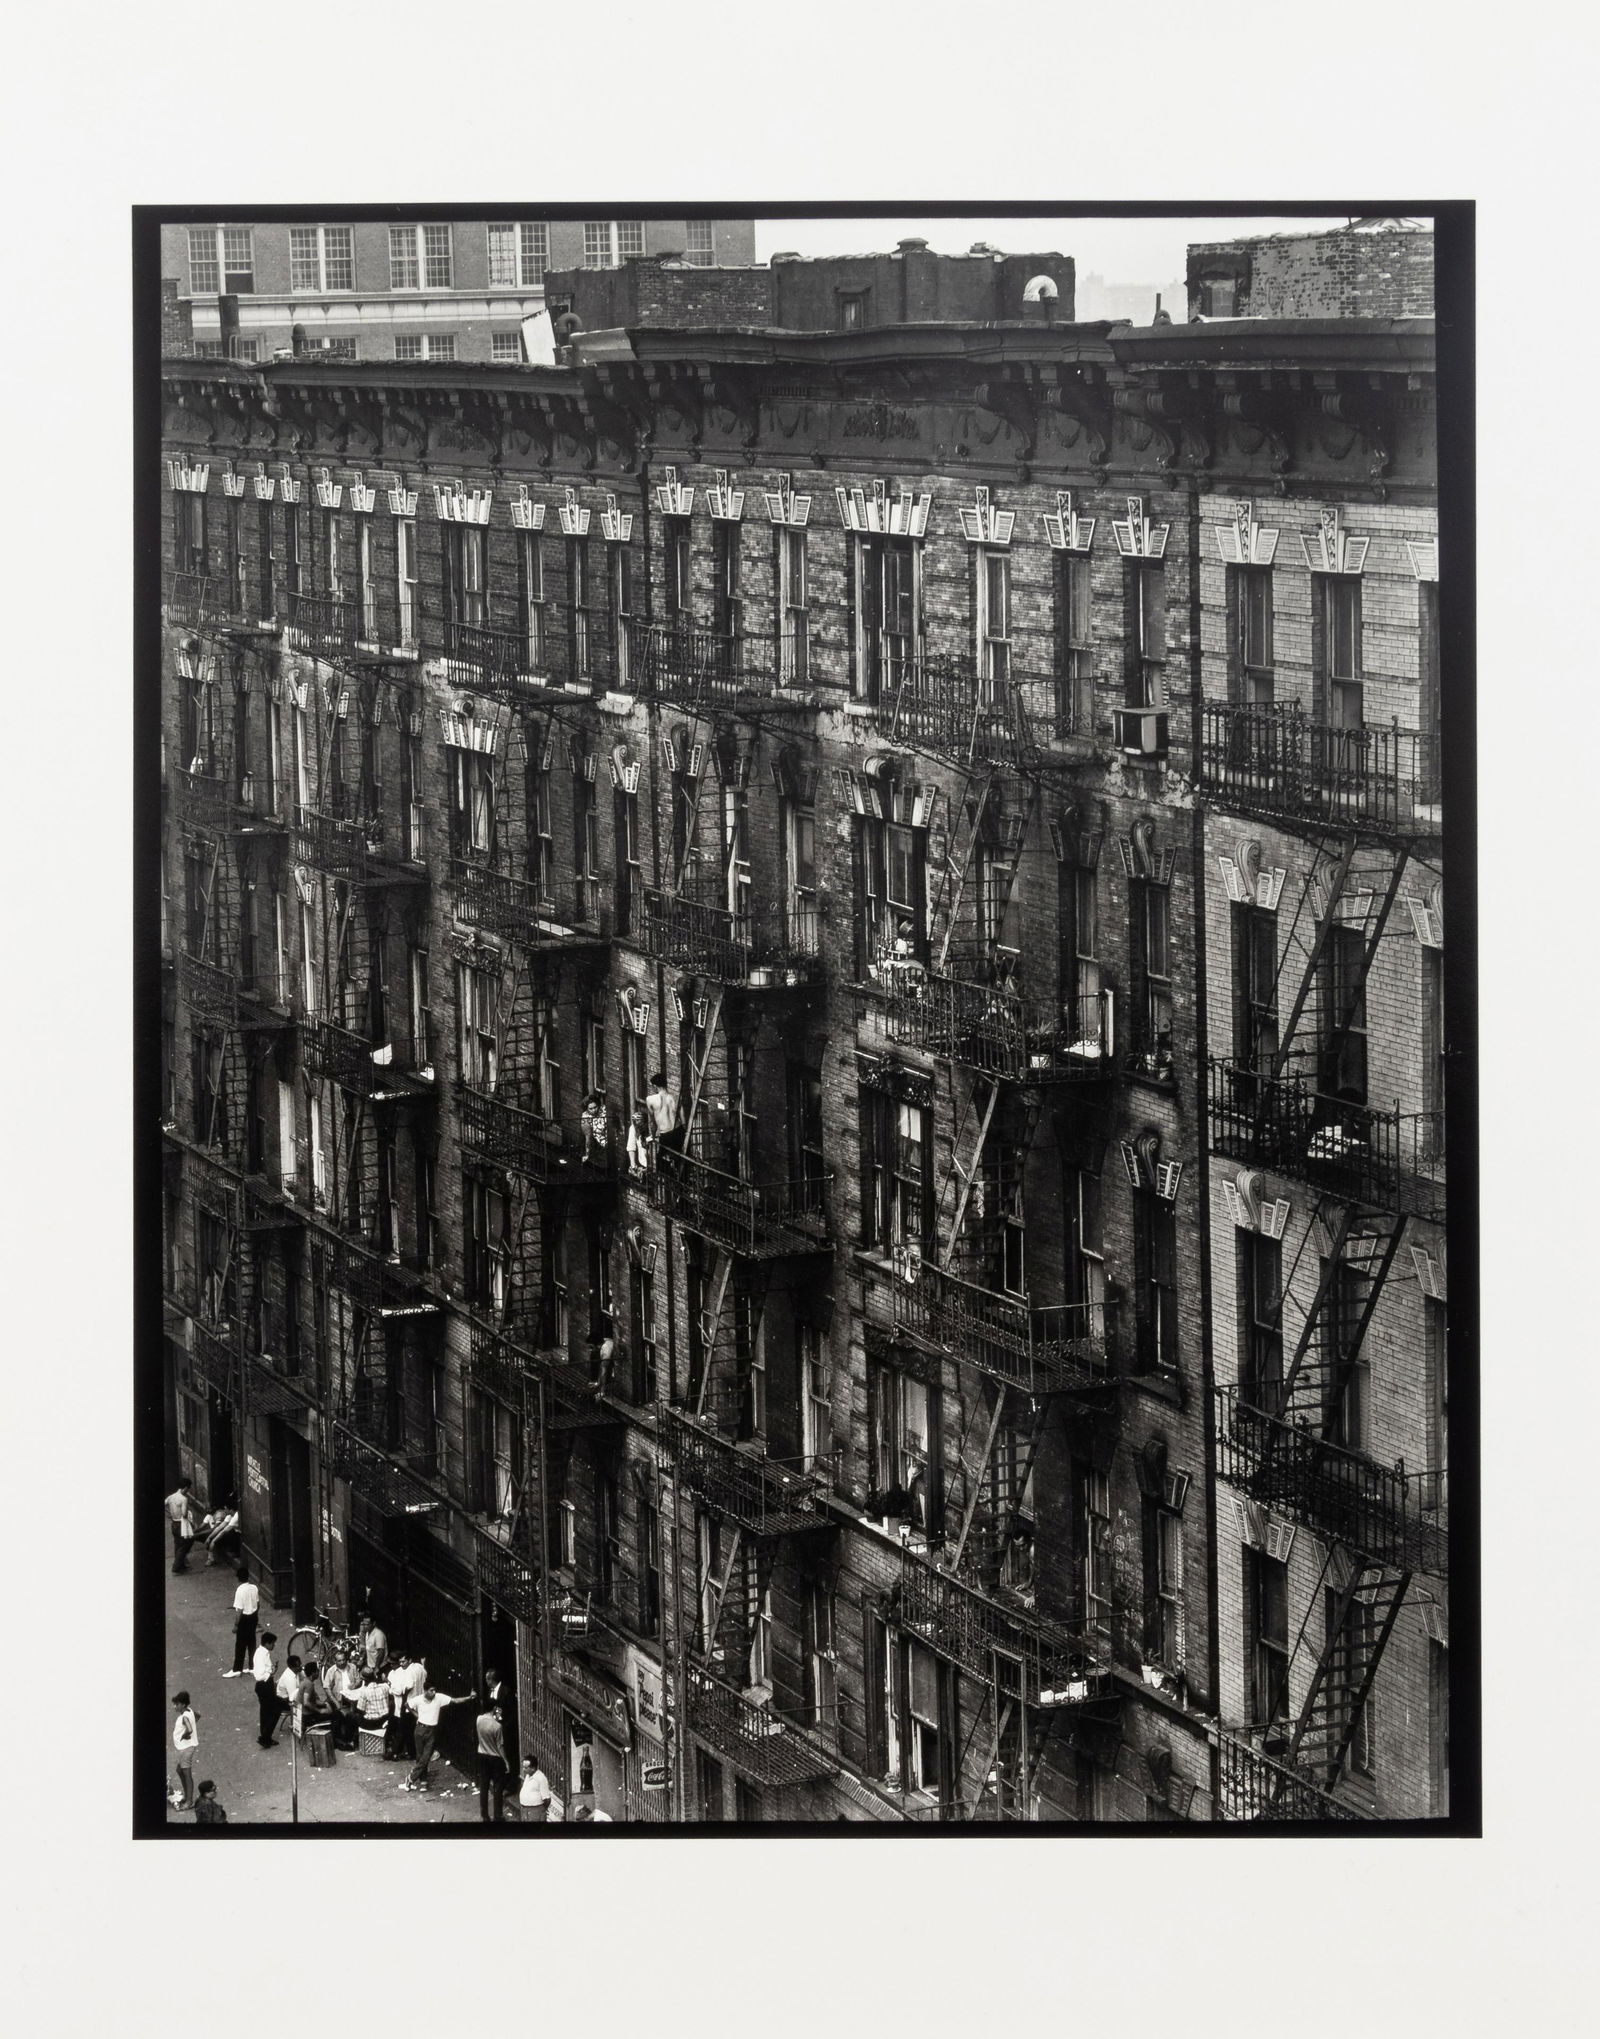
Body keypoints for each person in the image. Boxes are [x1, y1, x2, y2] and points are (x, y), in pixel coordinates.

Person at [402, 1679, 468, 1793]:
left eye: (434, 1690)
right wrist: (416, 1715)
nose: (433, 1693)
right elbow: (406, 1705)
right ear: (425, 1691)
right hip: (420, 1729)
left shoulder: (439, 1697)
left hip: (432, 1730)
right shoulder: (418, 1699)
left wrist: (469, 1697)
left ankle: (411, 1778)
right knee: (420, 1757)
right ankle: (423, 1781)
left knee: (426, 1756)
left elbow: (455, 1701)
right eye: (431, 1691)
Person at [475, 1703, 510, 1823]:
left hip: (482, 1755)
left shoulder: (479, 1719)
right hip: (495, 1758)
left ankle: (484, 1815)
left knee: (484, 1786)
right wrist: (506, 1761)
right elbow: (500, 1746)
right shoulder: (497, 1726)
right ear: (494, 1709)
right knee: (498, 1788)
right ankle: (498, 1816)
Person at [644, 1072, 683, 1173]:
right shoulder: (675, 1098)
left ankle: (668, 1182)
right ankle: (678, 1176)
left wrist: (652, 1136)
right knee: (678, 1158)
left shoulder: (650, 1100)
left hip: (666, 1135)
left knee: (661, 1162)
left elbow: (652, 1123)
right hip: (678, 1132)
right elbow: (684, 1120)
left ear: (655, 1086)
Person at [226, 1565, 259, 1677]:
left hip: (244, 1619)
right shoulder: (254, 1588)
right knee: (251, 1642)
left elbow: (239, 1610)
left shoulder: (239, 1591)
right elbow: (258, 1604)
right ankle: (252, 1667)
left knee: (240, 1644)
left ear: (238, 1578)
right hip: (254, 1617)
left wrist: (236, 1625)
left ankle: (237, 1669)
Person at [171, 1692, 199, 1809]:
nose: (175, 1706)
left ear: (182, 1704)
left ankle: (189, 1801)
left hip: (186, 1748)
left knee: (186, 1774)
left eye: (176, 1704)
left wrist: (185, 1735)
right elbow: (198, 1716)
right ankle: (188, 1795)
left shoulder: (184, 1717)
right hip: (186, 1748)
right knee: (180, 1770)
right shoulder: (190, 1711)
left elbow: (189, 1728)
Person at [253, 1631, 281, 1747]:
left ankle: (265, 1735)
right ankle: (265, 1736)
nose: (274, 1646)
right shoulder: (261, 1655)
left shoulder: (263, 1653)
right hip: (264, 1686)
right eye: (273, 1643)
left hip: (266, 1685)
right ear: (267, 1643)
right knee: (273, 1710)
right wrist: (271, 1673)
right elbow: (259, 1675)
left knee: (266, 1711)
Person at [201, 1498, 242, 1569]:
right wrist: (210, 1537)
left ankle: (236, 1551)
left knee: (228, 1533)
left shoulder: (236, 1516)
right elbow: (219, 1527)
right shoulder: (229, 1516)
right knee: (217, 1534)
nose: (224, 1510)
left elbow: (224, 1531)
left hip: (241, 1537)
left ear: (231, 1509)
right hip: (236, 1535)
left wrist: (213, 1541)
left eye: (226, 1509)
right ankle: (211, 1557)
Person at [166, 1479, 196, 1573]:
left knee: (178, 1544)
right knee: (186, 1544)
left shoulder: (170, 1497)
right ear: (186, 1487)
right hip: (181, 1524)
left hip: (174, 1523)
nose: (188, 1490)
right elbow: (184, 1514)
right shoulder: (183, 1499)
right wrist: (189, 1514)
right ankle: (176, 1566)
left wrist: (169, 1514)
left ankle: (180, 1564)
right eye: (188, 1488)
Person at [579, 1089, 610, 1165]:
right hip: (599, 1143)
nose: (593, 1110)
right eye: (590, 1108)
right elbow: (588, 1136)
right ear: (586, 1108)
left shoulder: (604, 1109)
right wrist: (587, 1154)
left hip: (610, 1139)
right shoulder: (585, 1117)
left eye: (595, 1107)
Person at [518, 1755, 552, 1823]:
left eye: (526, 1768)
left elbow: (547, 1799)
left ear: (533, 1768)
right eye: (523, 1767)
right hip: (525, 1811)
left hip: (535, 1812)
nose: (523, 1769)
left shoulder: (541, 1778)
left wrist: (540, 1809)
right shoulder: (528, 1775)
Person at [626, 1103, 652, 1177]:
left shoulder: (650, 1131)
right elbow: (631, 1146)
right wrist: (633, 1165)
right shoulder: (633, 1128)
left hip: (652, 1165)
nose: (638, 1128)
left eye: (640, 1125)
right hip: (642, 1163)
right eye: (636, 1124)